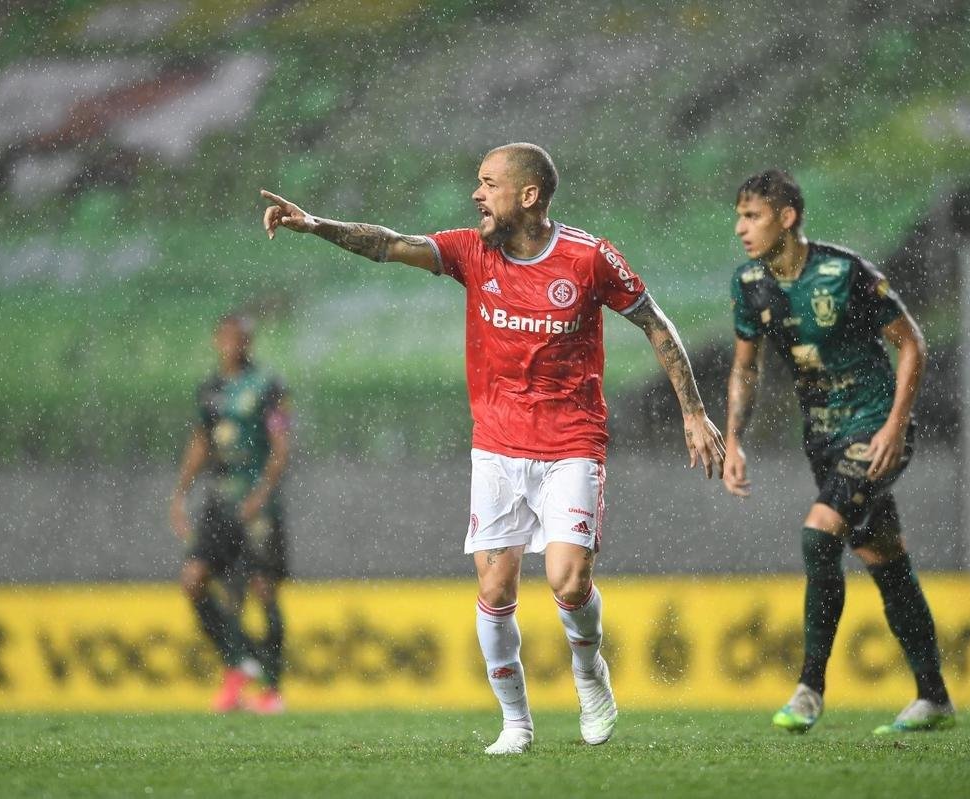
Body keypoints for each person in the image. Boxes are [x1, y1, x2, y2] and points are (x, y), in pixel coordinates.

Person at [259, 142, 725, 754]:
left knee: (566, 579)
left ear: (528, 196)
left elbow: (655, 322)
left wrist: (693, 412)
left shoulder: (590, 258)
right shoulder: (471, 251)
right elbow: (389, 244)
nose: (477, 195)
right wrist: (317, 225)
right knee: (497, 589)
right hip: (498, 447)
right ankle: (516, 722)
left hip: (571, 443)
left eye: (488, 184)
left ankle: (590, 677)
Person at [722, 169, 955, 735]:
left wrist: (895, 425)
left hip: (874, 429)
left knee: (818, 534)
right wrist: (733, 439)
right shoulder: (750, 282)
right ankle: (934, 699)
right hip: (823, 438)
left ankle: (809, 689)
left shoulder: (843, 272)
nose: (741, 228)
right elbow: (745, 368)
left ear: (787, 217)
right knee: (885, 559)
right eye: (739, 216)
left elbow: (911, 343)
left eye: (752, 216)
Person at [170, 313, 292, 714]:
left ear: (248, 342)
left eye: (238, 338)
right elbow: (202, 442)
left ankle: (271, 688)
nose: (230, 344)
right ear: (215, 340)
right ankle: (239, 660)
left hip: (255, 503)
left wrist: (262, 492)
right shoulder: (210, 390)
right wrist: (181, 492)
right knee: (195, 580)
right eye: (224, 337)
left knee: (261, 588)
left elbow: (280, 445)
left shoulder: (268, 386)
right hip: (219, 501)